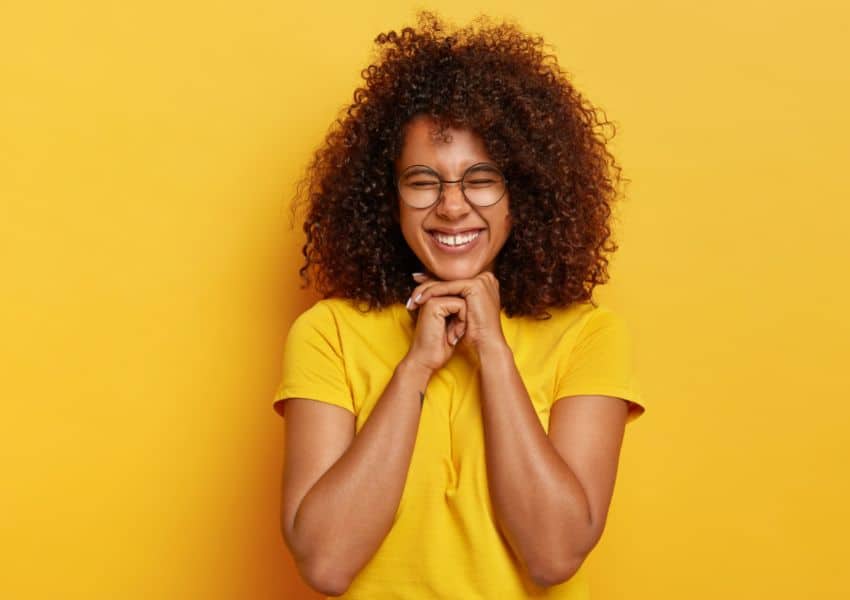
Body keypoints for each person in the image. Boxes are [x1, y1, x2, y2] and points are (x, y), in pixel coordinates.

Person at [273, 12, 646, 599]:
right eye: (423, 181)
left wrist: (492, 351)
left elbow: (552, 557)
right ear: (384, 197)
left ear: (523, 191)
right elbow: (325, 563)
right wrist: (415, 366)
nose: (451, 207)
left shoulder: (590, 336)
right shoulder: (327, 333)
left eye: (481, 179)